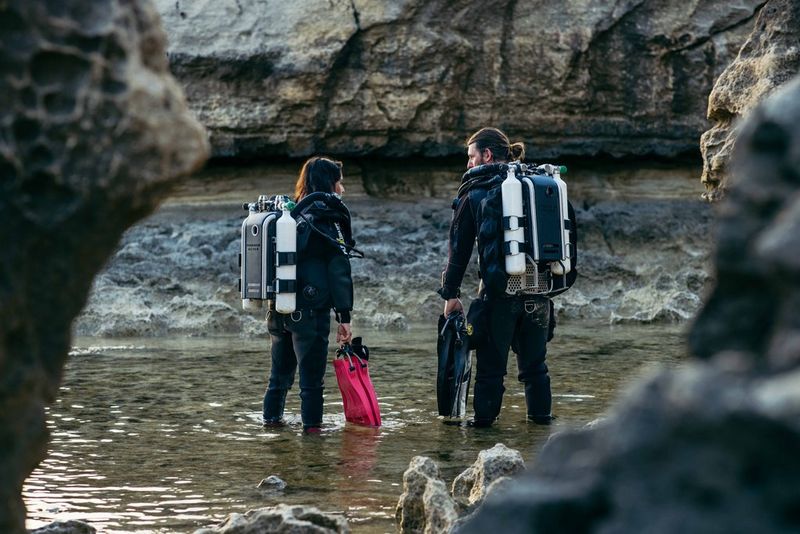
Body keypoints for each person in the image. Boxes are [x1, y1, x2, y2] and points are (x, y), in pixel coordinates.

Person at [438, 127, 563, 427]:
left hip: (499, 294)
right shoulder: (534, 184)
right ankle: (541, 432)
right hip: (540, 291)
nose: (468, 163)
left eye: (471, 156)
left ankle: (482, 434)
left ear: (487, 155)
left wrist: (450, 294)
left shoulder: (475, 191)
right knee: (536, 369)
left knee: (491, 371)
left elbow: (459, 250)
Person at [263, 156, 356, 434]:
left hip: (278, 310)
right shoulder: (327, 219)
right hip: (310, 314)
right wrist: (345, 317)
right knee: (311, 383)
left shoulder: (289, 217)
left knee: (278, 379)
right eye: (339, 182)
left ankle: (271, 428)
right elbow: (339, 271)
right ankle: (313, 438)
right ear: (329, 183)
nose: (342, 189)